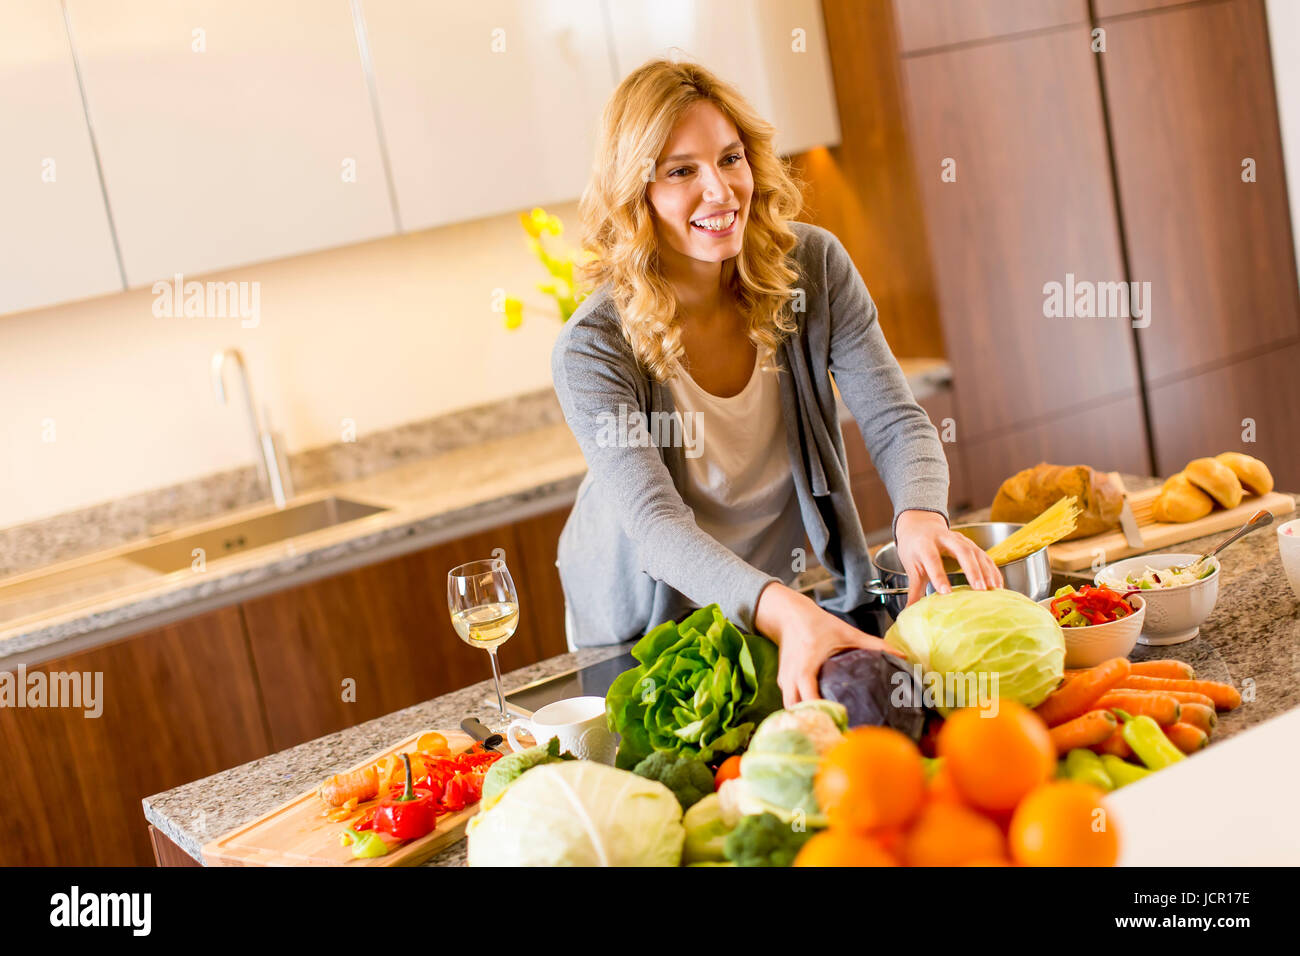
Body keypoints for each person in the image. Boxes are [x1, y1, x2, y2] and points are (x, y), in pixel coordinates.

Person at [551, 59, 1002, 705]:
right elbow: (656, 526)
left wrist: (920, 515)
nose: (720, 190)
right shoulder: (594, 348)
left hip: (777, 592)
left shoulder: (812, 269)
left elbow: (894, 418)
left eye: (730, 158)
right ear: (636, 192)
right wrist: (785, 610)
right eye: (682, 171)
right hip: (640, 629)